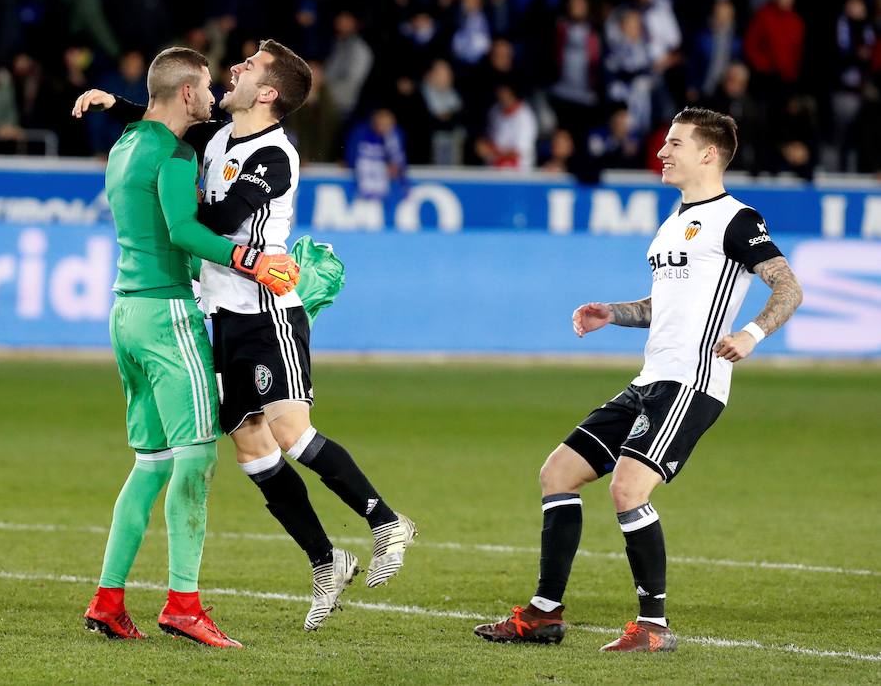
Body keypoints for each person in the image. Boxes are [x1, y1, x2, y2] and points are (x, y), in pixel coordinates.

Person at [74, 39, 416, 633]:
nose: (234, 68)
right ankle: (326, 559)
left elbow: (220, 220)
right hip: (223, 314)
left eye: (248, 66)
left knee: (289, 431)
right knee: (252, 449)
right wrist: (124, 108)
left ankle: (386, 521)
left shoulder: (273, 155)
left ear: (267, 93)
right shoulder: (217, 139)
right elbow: (170, 118)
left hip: (268, 312)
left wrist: (173, 207)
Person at [473, 107, 803, 651]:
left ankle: (654, 627)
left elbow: (788, 287)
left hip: (693, 381)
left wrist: (751, 335)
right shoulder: (674, 221)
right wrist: (613, 312)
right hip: (652, 377)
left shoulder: (739, 220)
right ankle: (543, 615)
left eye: (675, 143)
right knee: (558, 472)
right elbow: (666, 305)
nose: (662, 152)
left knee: (628, 489)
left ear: (709, 153)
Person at [74, 47, 298, 648]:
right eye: (203, 86)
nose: (212, 93)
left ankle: (108, 598)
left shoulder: (128, 144)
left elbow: (148, 124)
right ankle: (183, 604)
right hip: (170, 313)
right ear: (185, 94)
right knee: (197, 459)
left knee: (150, 465)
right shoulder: (175, 154)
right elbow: (183, 229)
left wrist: (115, 101)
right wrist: (250, 259)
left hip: (125, 313)